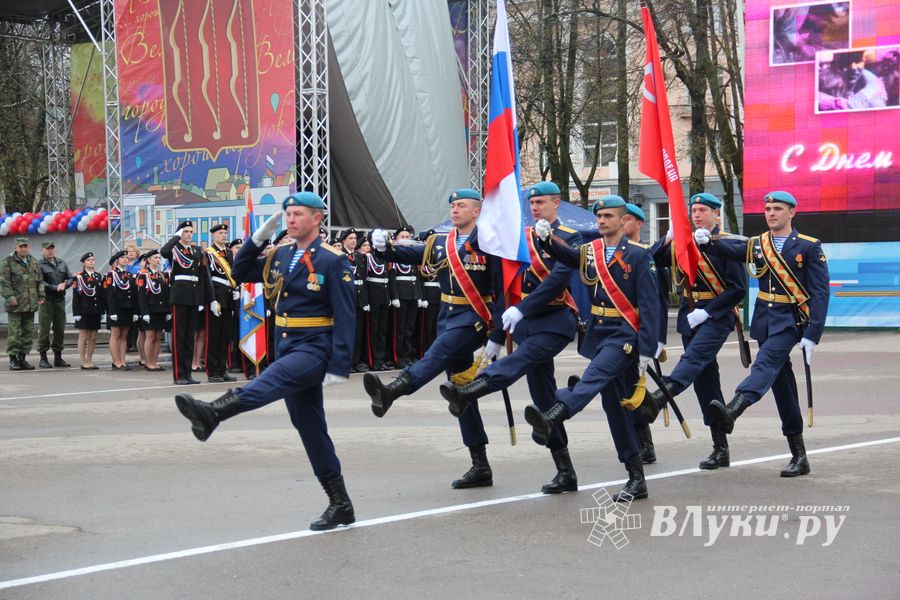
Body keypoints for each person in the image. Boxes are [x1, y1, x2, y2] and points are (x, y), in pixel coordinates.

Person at [174, 192, 357, 531]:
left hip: (315, 347)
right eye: (287, 214)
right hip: (287, 344)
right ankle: (340, 502)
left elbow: (346, 314)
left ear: (317, 219)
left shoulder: (333, 260)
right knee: (309, 426)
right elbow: (242, 271)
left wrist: (339, 364)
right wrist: (258, 239)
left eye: (298, 214)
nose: (290, 219)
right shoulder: (281, 254)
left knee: (270, 381)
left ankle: (214, 412)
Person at [438, 181, 583, 494]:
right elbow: (504, 279)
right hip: (527, 324)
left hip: (555, 321)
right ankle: (565, 470)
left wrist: (523, 307)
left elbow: (558, 280)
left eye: (541, 203)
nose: (535, 208)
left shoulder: (570, 236)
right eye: (532, 203)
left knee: (519, 360)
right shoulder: (521, 238)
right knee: (544, 399)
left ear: (556, 203)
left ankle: (470, 391)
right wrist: (500, 330)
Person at [363, 188, 506, 489]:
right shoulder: (440, 242)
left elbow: (502, 290)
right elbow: (403, 252)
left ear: (477, 211)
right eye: (452, 205)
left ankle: (392, 391)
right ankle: (480, 464)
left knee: (436, 354)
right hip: (448, 317)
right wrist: (381, 246)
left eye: (461, 205)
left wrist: (498, 335)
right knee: (459, 390)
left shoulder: (491, 242)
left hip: (474, 319)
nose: (454, 210)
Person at [524, 196, 660, 501]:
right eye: (598, 216)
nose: (601, 221)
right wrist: (548, 240)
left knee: (594, 376)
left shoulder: (640, 255)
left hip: (625, 334)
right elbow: (571, 257)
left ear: (623, 221)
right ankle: (636, 477)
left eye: (608, 216)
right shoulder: (592, 251)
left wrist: (649, 349)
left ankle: (556, 414)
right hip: (600, 334)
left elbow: (652, 306)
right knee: (615, 408)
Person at [694, 190, 829, 477]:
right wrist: (708, 244)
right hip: (766, 321)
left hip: (790, 322)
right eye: (768, 209)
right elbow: (731, 250)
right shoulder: (758, 244)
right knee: (782, 386)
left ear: (792, 212)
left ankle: (734, 408)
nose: (771, 213)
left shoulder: (808, 246)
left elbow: (820, 293)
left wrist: (812, 334)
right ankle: (799, 455)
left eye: (778, 209)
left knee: (765, 363)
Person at [633, 193, 746, 470]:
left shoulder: (727, 242)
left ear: (716, 214)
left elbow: (738, 288)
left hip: (716, 316)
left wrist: (708, 312)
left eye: (703, 210)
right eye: (694, 210)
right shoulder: (684, 243)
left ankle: (660, 397)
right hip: (689, 315)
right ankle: (721, 448)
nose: (697, 215)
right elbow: (649, 262)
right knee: (706, 381)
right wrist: (667, 239)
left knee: (693, 359)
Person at [620, 202, 669, 464]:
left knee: (633, 389)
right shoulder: (612, 254)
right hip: (617, 332)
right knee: (622, 390)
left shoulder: (647, 256)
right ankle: (638, 442)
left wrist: (657, 339)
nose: (622, 223)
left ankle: (645, 444)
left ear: (639, 223)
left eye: (627, 219)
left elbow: (657, 302)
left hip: (639, 333)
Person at [161, 221, 216, 385]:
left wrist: (208, 298)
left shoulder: (198, 251)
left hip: (193, 296)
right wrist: (175, 237)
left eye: (191, 232)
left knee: (190, 337)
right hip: (179, 296)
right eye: (185, 231)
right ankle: (179, 375)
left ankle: (188, 374)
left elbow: (204, 276)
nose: (189, 234)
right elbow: (163, 251)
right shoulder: (174, 249)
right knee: (179, 336)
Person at [1, 237, 45, 370]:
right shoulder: (8, 262)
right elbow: (4, 282)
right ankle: (13, 359)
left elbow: (40, 280)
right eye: (21, 246)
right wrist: (9, 297)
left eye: (25, 246)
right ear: (16, 247)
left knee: (27, 333)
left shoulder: (33, 261)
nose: (24, 249)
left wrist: (41, 295)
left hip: (30, 303)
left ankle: (22, 358)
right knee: (14, 333)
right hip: (16, 304)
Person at [204, 223, 238, 383]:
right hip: (216, 297)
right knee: (214, 335)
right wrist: (212, 299)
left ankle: (222, 368)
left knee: (225, 335)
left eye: (225, 233)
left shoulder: (228, 253)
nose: (223, 235)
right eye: (220, 233)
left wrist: (235, 289)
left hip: (228, 296)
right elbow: (207, 278)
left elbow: (232, 274)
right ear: (213, 235)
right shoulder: (209, 253)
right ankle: (212, 371)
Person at [36, 240, 71, 368]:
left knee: (60, 328)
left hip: (59, 300)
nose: (50, 251)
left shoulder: (61, 262)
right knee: (44, 329)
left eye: (52, 248)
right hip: (46, 300)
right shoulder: (39, 264)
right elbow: (39, 282)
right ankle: (43, 357)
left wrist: (65, 285)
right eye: (47, 248)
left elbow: (70, 277)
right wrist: (54, 287)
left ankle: (58, 357)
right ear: (43, 250)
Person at [390, 226, 422, 368]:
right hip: (401, 295)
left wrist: (419, 296)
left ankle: (408, 355)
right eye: (402, 237)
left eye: (407, 237)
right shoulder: (393, 255)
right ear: (396, 239)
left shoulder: (413, 256)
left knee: (410, 328)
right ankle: (399, 357)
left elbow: (417, 277)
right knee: (400, 329)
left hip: (413, 295)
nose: (405, 239)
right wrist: (395, 296)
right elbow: (392, 278)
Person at [363, 232, 396, 371]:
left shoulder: (386, 257)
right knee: (373, 330)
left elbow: (389, 278)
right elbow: (363, 280)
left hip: (384, 296)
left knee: (382, 330)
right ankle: (370, 360)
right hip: (373, 296)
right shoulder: (368, 257)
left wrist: (390, 296)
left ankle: (380, 359)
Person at [102, 250, 138, 370]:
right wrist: (111, 312)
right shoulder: (112, 275)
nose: (125, 260)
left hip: (127, 308)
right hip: (116, 308)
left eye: (126, 258)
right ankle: (116, 361)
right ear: (117, 261)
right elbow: (110, 295)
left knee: (124, 335)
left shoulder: (128, 275)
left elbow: (132, 293)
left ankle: (122, 360)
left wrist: (134, 311)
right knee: (115, 334)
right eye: (122, 258)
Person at [341, 228, 370, 373]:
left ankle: (356, 360)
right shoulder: (339, 256)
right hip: (346, 298)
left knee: (358, 332)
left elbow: (363, 280)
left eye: (354, 238)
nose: (353, 241)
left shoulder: (360, 257)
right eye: (350, 238)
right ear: (344, 240)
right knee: (347, 332)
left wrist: (364, 301)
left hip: (358, 299)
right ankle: (346, 362)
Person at [136, 249, 170, 371]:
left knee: (157, 337)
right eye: (155, 258)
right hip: (150, 310)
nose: (158, 260)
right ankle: (148, 362)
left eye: (159, 258)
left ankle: (155, 362)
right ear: (149, 260)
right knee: (150, 337)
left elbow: (166, 294)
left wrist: (168, 311)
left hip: (160, 309)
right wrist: (144, 312)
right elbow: (142, 296)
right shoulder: (143, 274)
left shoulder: (162, 274)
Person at [72, 252, 104, 370]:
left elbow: (100, 294)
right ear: (84, 263)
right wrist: (76, 313)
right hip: (84, 310)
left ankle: (89, 360)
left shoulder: (98, 276)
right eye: (89, 260)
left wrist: (101, 310)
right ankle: (83, 361)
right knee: (83, 336)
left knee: (93, 337)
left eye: (93, 260)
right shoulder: (79, 276)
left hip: (95, 310)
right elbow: (76, 296)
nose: (91, 262)